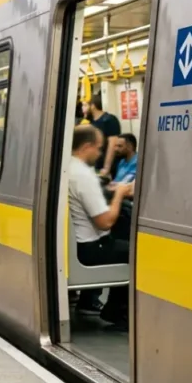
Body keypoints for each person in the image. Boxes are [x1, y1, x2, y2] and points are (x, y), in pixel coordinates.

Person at [68, 125, 131, 330]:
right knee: (138, 251)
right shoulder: (83, 175)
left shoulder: (69, 169)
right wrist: (120, 193)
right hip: (92, 249)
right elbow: (105, 222)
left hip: (78, 245)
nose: (100, 153)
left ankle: (104, 306)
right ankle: (120, 314)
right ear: (86, 147)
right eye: (98, 148)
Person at [85, 96, 121, 177]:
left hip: (108, 166)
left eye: (85, 105)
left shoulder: (109, 120)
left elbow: (112, 144)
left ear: (93, 106)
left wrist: (106, 168)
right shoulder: (91, 122)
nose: (82, 108)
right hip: (96, 165)